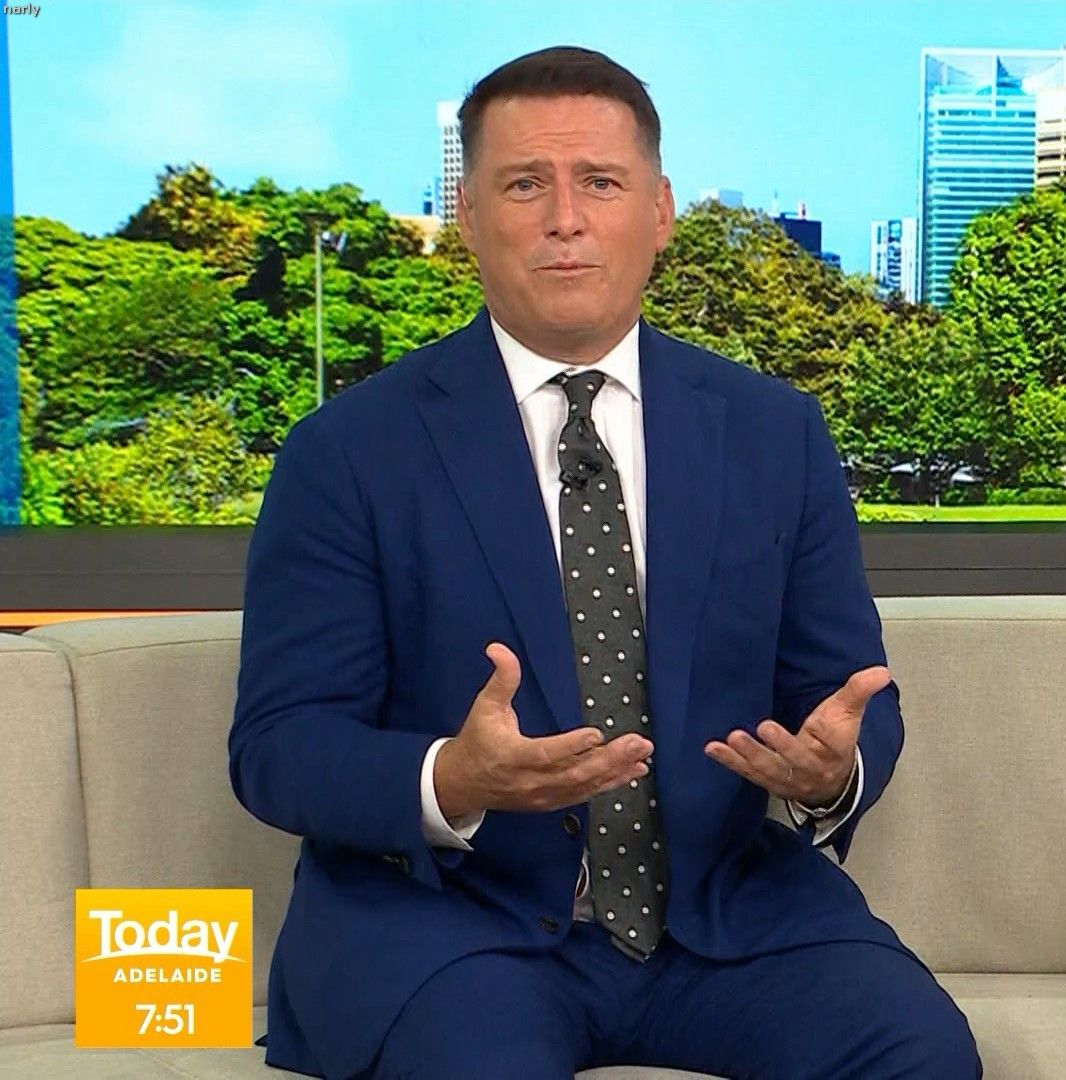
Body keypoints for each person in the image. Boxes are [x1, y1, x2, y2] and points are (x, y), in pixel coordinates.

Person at [229, 45, 979, 1080]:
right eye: (523, 185)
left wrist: (831, 773)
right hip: (454, 927)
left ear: (659, 211)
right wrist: (453, 775)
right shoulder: (348, 453)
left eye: (601, 183)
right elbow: (279, 746)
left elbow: (847, 693)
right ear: (468, 215)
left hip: (725, 919)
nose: (565, 219)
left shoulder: (776, 434)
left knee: (918, 1052)